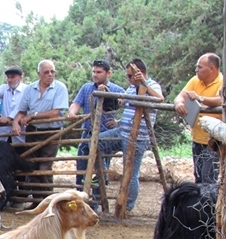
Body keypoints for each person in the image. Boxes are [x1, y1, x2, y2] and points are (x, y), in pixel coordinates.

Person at [95, 58, 163, 212]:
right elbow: (123, 102)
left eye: (130, 76)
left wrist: (143, 83)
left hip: (137, 137)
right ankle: (102, 176)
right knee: (95, 143)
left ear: (140, 74)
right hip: (122, 131)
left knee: (131, 172)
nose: (128, 79)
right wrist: (118, 119)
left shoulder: (151, 85)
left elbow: (160, 99)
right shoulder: (132, 87)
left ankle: (127, 206)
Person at [12, 59, 69, 206]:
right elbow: (22, 111)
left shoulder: (60, 88)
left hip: (52, 131)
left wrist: (34, 115)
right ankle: (37, 201)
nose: (50, 75)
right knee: (32, 165)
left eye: (52, 71)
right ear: (39, 74)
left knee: (44, 166)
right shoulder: (30, 89)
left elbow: (56, 112)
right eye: (46, 72)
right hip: (33, 131)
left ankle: (46, 201)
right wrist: (15, 122)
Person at [66, 59, 125, 187]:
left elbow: (125, 106)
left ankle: (97, 202)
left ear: (108, 73)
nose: (95, 75)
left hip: (105, 135)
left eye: (99, 72)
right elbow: (76, 103)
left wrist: (118, 122)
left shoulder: (117, 89)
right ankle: (79, 198)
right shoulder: (86, 88)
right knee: (82, 167)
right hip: (87, 133)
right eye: (93, 71)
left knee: (99, 171)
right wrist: (72, 112)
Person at [173, 53, 224, 184]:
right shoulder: (195, 80)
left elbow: (221, 100)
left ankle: (209, 204)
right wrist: (179, 103)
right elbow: (181, 96)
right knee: (198, 177)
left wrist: (200, 98)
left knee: (209, 178)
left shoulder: (222, 82)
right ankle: (200, 204)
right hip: (197, 138)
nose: (196, 70)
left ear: (211, 68)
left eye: (200, 67)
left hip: (214, 142)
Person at [0, 65, 27, 143]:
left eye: (12, 77)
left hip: (20, 133)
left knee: (20, 152)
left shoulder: (27, 90)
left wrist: (9, 118)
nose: (9, 80)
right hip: (4, 132)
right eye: (8, 77)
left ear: (21, 78)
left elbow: (22, 107)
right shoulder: (4, 88)